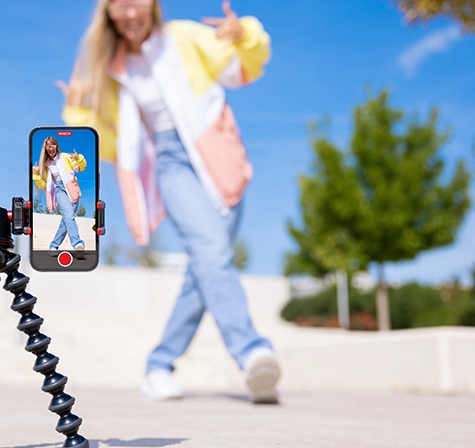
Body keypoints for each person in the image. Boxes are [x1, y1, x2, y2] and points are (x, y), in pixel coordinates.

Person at [56, 0, 281, 403]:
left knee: (206, 268)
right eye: (117, 5)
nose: (129, 12)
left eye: (136, 1)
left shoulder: (184, 37)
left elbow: (244, 68)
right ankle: (251, 352)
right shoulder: (108, 67)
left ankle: (159, 366)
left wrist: (244, 33)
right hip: (170, 162)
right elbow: (110, 144)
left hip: (220, 157)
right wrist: (78, 111)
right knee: (213, 252)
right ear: (107, 13)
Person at [32, 136, 87, 259]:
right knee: (68, 216)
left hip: (72, 189)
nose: (51, 148)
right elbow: (44, 185)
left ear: (57, 146)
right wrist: (35, 176)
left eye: (53, 145)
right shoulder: (46, 166)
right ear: (46, 149)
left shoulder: (65, 157)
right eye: (48, 146)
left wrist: (79, 158)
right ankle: (78, 244)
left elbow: (81, 167)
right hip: (60, 190)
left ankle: (53, 246)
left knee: (66, 220)